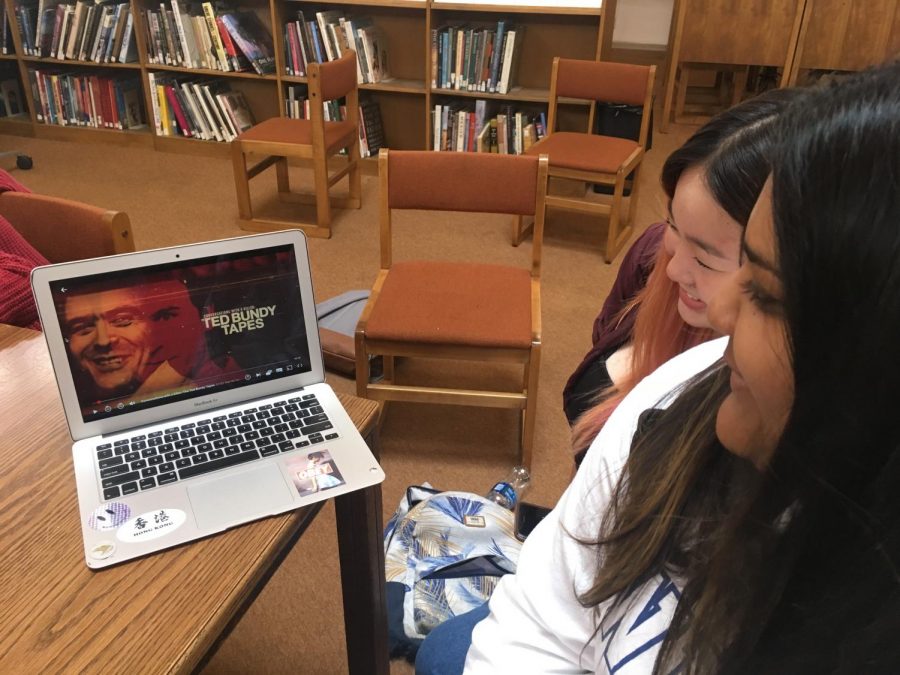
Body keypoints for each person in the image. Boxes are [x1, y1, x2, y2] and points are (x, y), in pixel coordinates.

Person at [417, 60, 900, 673]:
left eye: (766, 293)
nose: (717, 308)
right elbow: (544, 613)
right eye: (673, 230)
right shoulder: (682, 384)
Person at [564, 88, 801, 464]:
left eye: (707, 259)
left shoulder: (762, 390)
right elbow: (604, 334)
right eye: (673, 224)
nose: (673, 268)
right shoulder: (652, 253)